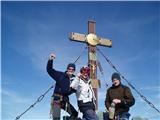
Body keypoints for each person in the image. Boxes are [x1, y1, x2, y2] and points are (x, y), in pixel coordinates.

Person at [46, 53, 78, 120]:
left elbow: (78, 89)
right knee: (56, 118)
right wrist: (50, 60)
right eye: (70, 69)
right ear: (67, 69)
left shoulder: (75, 80)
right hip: (57, 99)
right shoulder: (60, 75)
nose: (71, 70)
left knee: (75, 114)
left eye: (73, 69)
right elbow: (49, 70)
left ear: (74, 70)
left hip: (65, 100)